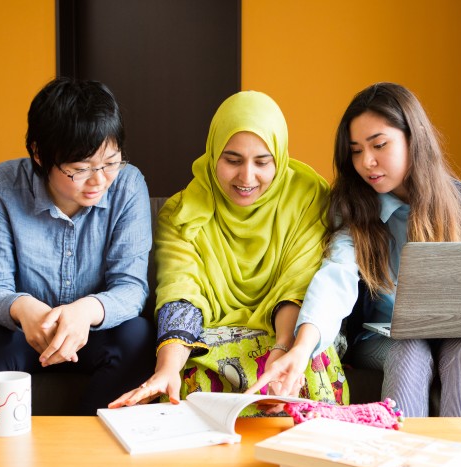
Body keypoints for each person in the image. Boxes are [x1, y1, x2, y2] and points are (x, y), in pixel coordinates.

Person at [250, 82, 461, 425]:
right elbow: (335, 277)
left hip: (458, 332)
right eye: (355, 150)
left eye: (379, 145)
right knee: (408, 349)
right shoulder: (353, 208)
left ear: (415, 138)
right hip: (382, 335)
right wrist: (301, 348)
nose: (367, 162)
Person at [109, 91, 348, 412]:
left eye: (263, 162)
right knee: (191, 372)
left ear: (280, 156)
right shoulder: (183, 212)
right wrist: (167, 367)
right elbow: (182, 293)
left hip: (292, 331)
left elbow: (297, 285)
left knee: (309, 363)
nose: (247, 177)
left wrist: (281, 350)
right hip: (210, 334)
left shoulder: (307, 198)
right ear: (212, 154)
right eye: (232, 160)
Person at [0, 77, 156, 429]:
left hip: (96, 330)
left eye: (110, 162)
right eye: (79, 169)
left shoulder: (128, 183)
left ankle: (85, 452)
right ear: (40, 154)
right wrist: (23, 308)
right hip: (22, 330)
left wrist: (86, 311)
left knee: (137, 336)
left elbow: (131, 287)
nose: (99, 181)